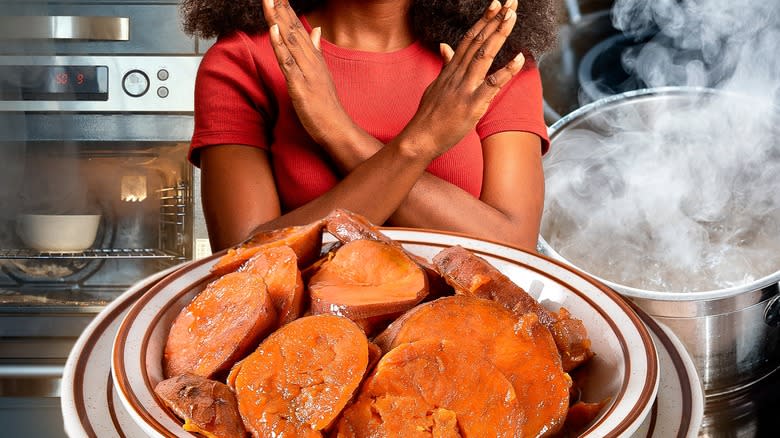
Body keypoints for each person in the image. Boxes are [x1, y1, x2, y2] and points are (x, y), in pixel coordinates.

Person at [182, 0, 558, 252]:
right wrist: (414, 148)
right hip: (304, 356)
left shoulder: (489, 58)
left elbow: (513, 250)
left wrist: (340, 133)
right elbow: (241, 266)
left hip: (467, 349)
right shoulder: (244, 60)